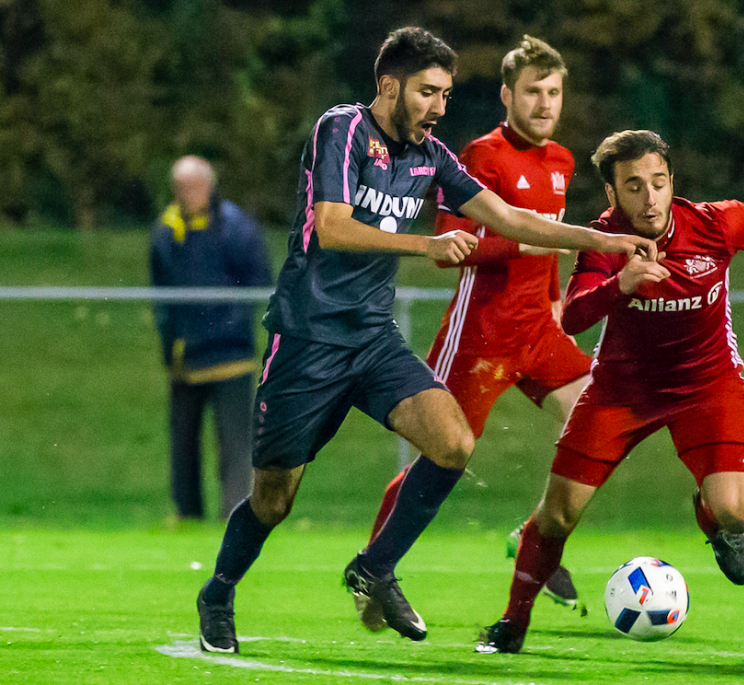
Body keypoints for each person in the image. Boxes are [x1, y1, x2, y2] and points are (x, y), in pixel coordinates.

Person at [195, 28, 657, 655]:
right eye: (428, 92)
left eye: (445, 93)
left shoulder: (431, 154)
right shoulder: (343, 130)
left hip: (371, 341)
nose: (440, 106)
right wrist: (428, 245)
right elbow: (331, 228)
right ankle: (219, 591)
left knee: (452, 443)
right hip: (307, 341)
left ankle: (374, 567)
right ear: (390, 86)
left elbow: (512, 220)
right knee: (274, 500)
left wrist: (605, 242)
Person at [476, 129, 744, 654]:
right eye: (633, 186)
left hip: (706, 385)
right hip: (620, 392)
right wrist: (621, 284)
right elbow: (575, 316)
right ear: (612, 195)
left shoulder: (716, 224)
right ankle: (512, 625)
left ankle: (715, 522)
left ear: (673, 182)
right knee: (557, 514)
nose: (649, 198)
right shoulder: (605, 242)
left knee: (739, 511)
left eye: (658, 182)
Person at [366, 35, 588, 612]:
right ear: (506, 95)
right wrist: (524, 245)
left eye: (554, 93)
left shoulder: (562, 161)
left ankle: (537, 539)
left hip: (539, 330)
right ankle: (377, 567)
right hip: (481, 336)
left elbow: (551, 251)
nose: (544, 104)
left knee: (600, 423)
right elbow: (451, 244)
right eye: (533, 92)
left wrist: (557, 298)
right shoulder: (482, 154)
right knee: (442, 455)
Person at [149, 155, 272, 522]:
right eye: (182, 188)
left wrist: (224, 319)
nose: (188, 194)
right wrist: (169, 342)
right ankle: (186, 513)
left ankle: (235, 514)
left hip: (229, 353)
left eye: (195, 186)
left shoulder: (237, 228)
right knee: (182, 442)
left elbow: (258, 281)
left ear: (210, 186)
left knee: (234, 443)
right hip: (184, 355)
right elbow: (162, 292)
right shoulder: (166, 229)